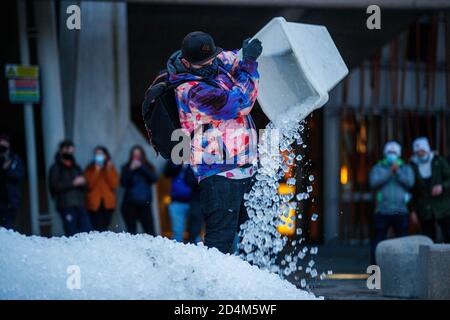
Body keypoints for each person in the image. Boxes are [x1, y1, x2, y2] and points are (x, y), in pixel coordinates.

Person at [167, 31, 262, 253]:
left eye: (212, 59)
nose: (211, 65)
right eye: (204, 64)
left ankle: (252, 285)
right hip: (218, 173)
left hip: (243, 167)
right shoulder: (192, 90)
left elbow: (230, 59)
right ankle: (214, 287)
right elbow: (243, 102)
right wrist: (249, 63)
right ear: (185, 62)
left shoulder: (211, 65)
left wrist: (245, 53)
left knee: (254, 236)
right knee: (221, 241)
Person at [369, 141, 414, 263]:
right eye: (389, 152)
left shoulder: (405, 167)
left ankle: (404, 268)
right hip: (382, 211)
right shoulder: (378, 167)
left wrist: (398, 171)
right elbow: (373, 183)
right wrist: (390, 172)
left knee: (403, 243)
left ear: (399, 154)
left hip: (401, 210)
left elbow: (410, 182)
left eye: (394, 152)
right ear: (385, 153)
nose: (391, 154)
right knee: (378, 241)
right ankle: (375, 270)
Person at [410, 137, 450, 243]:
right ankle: (432, 260)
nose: (420, 153)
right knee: (428, 240)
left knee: (448, 235)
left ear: (427, 149)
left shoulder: (439, 161)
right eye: (417, 151)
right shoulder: (412, 166)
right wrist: (413, 210)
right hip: (424, 209)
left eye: (422, 150)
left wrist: (442, 186)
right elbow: (411, 191)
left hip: (444, 207)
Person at [49, 140, 92, 236]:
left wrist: (83, 183)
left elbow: (85, 186)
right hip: (66, 204)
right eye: (67, 149)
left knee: (87, 232)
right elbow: (54, 186)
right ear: (61, 150)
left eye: (71, 150)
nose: (69, 152)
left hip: (80, 203)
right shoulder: (56, 167)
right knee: (71, 233)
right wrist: (73, 183)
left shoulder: (76, 167)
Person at [120, 145, 157, 235]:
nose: (136, 157)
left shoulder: (148, 166)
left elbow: (154, 178)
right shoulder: (126, 167)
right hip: (130, 204)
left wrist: (141, 167)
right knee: (131, 231)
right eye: (134, 155)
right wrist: (130, 170)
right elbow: (123, 183)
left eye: (138, 155)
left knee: (150, 231)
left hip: (145, 203)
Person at [84, 146, 119, 232]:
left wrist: (107, 169)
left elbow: (114, 184)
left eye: (100, 154)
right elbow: (89, 185)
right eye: (96, 154)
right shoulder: (90, 168)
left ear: (106, 155)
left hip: (108, 202)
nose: (98, 156)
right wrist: (96, 170)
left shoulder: (111, 168)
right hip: (94, 203)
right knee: (97, 228)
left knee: (106, 227)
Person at [164, 161, 194, 242]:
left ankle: (198, 254)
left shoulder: (197, 159)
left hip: (193, 202)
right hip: (176, 201)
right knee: (177, 231)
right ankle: (177, 253)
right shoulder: (175, 160)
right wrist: (178, 164)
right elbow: (166, 173)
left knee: (195, 231)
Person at [0, 134, 25, 230]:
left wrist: (7, 170)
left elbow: (19, 175)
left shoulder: (15, 159)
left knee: (7, 229)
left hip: (10, 200)